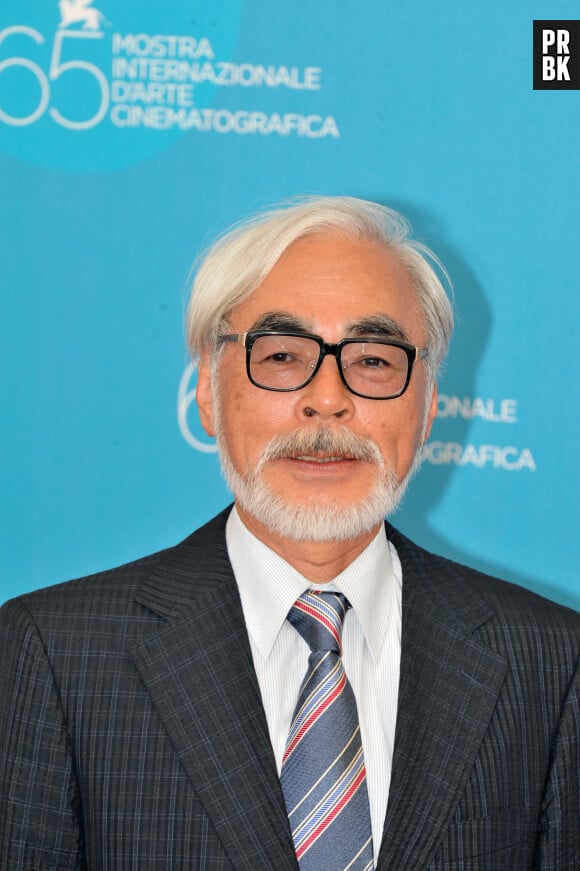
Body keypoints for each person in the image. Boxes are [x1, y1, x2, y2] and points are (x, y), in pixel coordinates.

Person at [1, 196, 579, 871]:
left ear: (426, 409)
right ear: (209, 394)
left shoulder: (550, 662)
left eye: (372, 361)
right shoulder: (52, 655)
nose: (328, 398)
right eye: (281, 355)